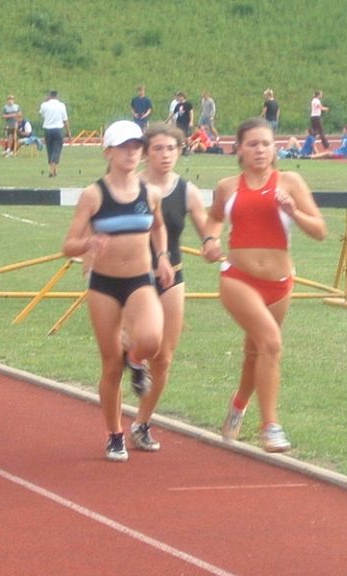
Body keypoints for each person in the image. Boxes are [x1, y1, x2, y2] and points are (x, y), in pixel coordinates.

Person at [201, 117, 327, 452]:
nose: (260, 150)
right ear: (239, 149)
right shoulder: (228, 186)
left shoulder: (290, 182)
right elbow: (214, 218)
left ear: (275, 148)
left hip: (279, 284)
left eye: (266, 144)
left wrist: (293, 211)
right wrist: (210, 241)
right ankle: (270, 426)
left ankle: (239, 404)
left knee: (255, 351)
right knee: (271, 342)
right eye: (253, 144)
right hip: (238, 279)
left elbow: (319, 230)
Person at [62, 120, 174, 462]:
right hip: (105, 285)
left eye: (136, 147)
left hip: (140, 279)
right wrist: (89, 243)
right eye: (124, 147)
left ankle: (136, 360)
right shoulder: (94, 194)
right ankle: (114, 434)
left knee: (152, 340)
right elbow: (68, 245)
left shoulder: (150, 193)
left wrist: (163, 257)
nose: (131, 153)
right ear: (108, 152)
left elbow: (158, 227)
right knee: (111, 365)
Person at [129, 122, 209, 451]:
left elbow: (207, 229)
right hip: (131, 276)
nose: (165, 155)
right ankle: (131, 362)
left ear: (180, 151)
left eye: (171, 149)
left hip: (171, 275)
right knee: (138, 344)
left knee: (163, 358)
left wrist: (212, 242)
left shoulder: (187, 191)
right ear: (146, 153)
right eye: (158, 149)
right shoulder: (130, 186)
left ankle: (142, 423)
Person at [39, 90, 70, 178]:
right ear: (57, 96)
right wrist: (68, 131)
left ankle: (54, 170)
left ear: (49, 96)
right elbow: (65, 120)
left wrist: (45, 101)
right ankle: (51, 171)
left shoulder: (44, 105)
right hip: (58, 129)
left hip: (47, 129)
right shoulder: (61, 105)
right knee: (57, 149)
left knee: (50, 149)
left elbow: (42, 114)